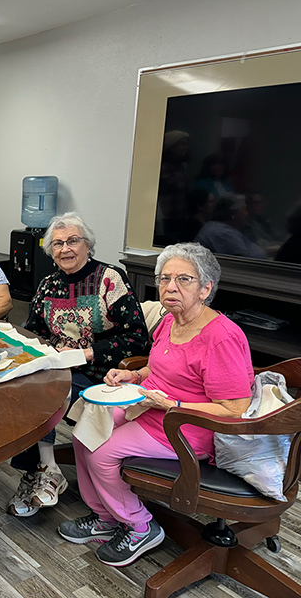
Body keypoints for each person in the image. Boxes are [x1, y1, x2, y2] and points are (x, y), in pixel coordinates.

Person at [58, 242, 253, 568]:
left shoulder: (221, 337)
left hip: (186, 425)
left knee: (101, 453)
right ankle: (105, 517)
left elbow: (235, 409)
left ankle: (139, 526)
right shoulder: (170, 320)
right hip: (150, 406)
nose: (170, 287)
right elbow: (158, 367)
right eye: (165, 279)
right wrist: (134, 375)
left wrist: (173, 403)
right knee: (83, 434)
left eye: (184, 279)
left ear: (206, 289)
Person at [7, 212, 149, 518]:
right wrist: (36, 350)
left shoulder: (109, 279)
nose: (65, 249)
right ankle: (45, 469)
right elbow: (34, 331)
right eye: (57, 244)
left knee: (41, 391)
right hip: (57, 367)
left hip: (101, 373)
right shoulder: (48, 284)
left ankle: (42, 471)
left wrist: (87, 353)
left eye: (73, 241)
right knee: (16, 385)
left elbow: (137, 338)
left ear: (88, 245)